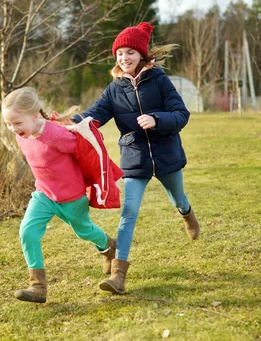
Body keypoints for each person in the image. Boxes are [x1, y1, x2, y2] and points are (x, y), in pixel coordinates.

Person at [70, 22, 200, 295]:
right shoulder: (115, 88)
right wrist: (71, 121)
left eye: (129, 52)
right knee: (128, 214)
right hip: (134, 157)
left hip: (166, 155)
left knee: (178, 199)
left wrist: (156, 119)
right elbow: (96, 113)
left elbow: (181, 114)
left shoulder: (161, 80)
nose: (124, 58)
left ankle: (187, 214)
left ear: (142, 54)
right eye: (119, 53)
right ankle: (119, 276)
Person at [1, 87, 117, 304]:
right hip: (43, 195)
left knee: (84, 230)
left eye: (17, 123)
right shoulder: (22, 137)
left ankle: (109, 246)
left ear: (35, 116)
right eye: (8, 124)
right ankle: (38, 286)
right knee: (27, 232)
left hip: (72, 196)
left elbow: (83, 149)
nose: (13, 129)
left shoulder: (55, 135)